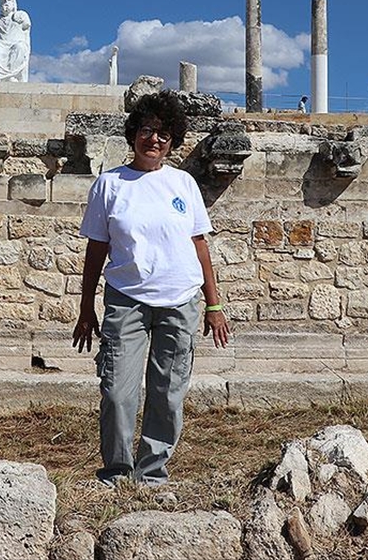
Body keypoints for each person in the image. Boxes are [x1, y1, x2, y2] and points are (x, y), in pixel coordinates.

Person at [72, 90, 231, 486]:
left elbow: (199, 244)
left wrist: (214, 306)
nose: (154, 140)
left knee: (168, 392)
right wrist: (85, 307)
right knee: (116, 390)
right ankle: (116, 471)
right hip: (126, 300)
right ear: (133, 134)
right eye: (146, 131)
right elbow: (97, 248)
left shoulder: (184, 184)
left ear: (173, 141)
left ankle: (152, 472)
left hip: (180, 301)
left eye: (163, 134)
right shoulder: (110, 185)